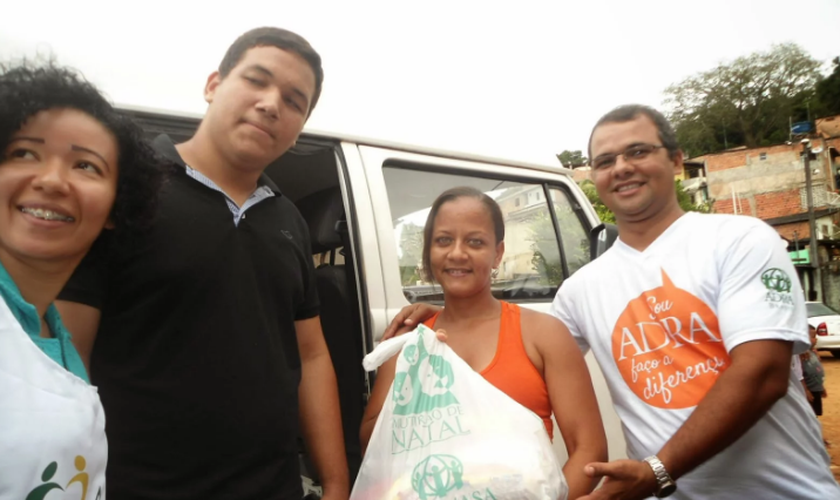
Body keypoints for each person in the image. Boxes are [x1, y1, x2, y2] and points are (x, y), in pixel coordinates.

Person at [384, 105, 840, 499]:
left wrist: (658, 470)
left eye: (638, 152)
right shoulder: (580, 290)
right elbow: (513, 345)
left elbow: (763, 373)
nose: (621, 167)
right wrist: (444, 316)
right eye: (605, 160)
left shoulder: (738, 238)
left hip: (783, 490)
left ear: (678, 160)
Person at [56, 27, 349, 499]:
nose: (272, 104)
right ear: (214, 85)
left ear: (299, 130)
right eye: (257, 80)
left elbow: (311, 355)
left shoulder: (288, 220)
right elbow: (68, 359)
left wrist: (335, 483)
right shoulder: (126, 192)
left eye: (295, 101)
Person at [362, 187, 608, 499]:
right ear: (428, 251)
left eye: (475, 241)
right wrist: (417, 376)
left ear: (498, 253)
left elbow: (590, 449)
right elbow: (373, 445)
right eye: (443, 240)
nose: (457, 253)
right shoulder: (411, 343)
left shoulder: (543, 335)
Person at [0, 61, 163, 499]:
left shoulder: (53, 332)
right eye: (23, 153)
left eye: (86, 166)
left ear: (116, 208)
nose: (51, 181)